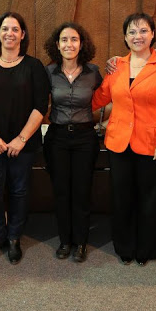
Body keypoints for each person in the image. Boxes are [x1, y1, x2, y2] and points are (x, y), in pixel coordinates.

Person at [92, 12, 156, 265]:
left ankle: (146, 249)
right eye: (132, 32)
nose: (137, 36)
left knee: (149, 198)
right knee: (121, 197)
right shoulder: (117, 66)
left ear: (152, 35)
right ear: (125, 37)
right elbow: (99, 98)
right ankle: (124, 246)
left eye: (143, 31)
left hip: (153, 143)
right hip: (119, 142)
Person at [0, 11, 50, 264]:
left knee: (19, 191)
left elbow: (40, 106)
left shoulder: (34, 67)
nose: (10, 33)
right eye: (5, 29)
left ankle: (14, 237)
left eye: (15, 29)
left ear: (23, 35)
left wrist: (21, 138)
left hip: (23, 144)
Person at [43, 22, 102, 262]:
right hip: (56, 138)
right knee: (61, 192)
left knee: (81, 191)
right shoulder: (48, 72)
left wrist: (107, 122)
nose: (69, 44)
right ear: (57, 45)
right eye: (64, 40)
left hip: (85, 138)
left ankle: (81, 242)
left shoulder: (93, 72)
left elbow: (110, 98)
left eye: (74, 39)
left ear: (81, 43)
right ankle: (65, 241)